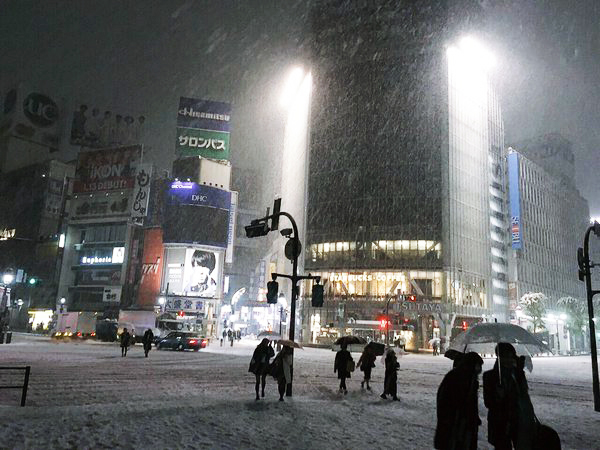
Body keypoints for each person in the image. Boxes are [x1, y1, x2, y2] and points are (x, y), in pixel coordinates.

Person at [483, 343, 537, 450]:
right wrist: (498, 396)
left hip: (518, 420)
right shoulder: (490, 376)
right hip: (500, 422)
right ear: (499, 357)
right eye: (505, 356)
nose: (509, 359)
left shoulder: (517, 374)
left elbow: (524, 396)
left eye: (511, 356)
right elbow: (488, 402)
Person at [434, 351, 484, 450]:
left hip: (466, 423)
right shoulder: (456, 377)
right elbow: (446, 401)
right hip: (455, 423)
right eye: (478, 365)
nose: (479, 369)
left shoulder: (471, 379)